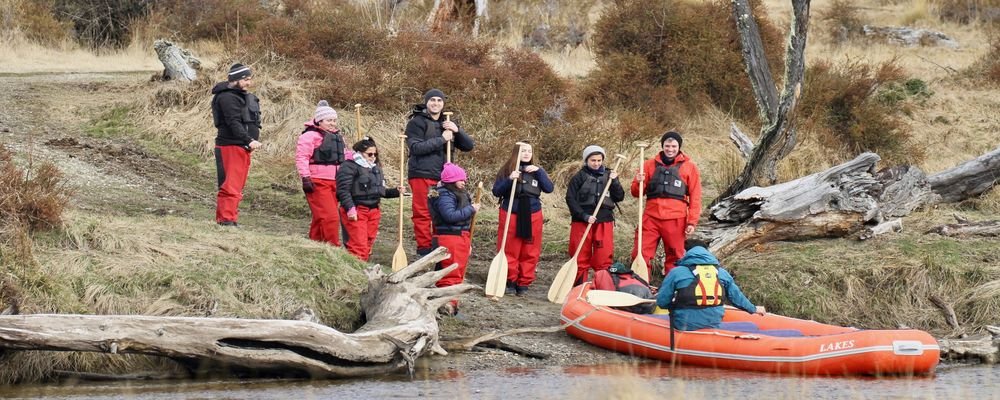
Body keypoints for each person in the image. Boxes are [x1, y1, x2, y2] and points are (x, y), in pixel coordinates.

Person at [405, 88, 475, 257]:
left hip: (444, 177)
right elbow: (416, 147)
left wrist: (457, 131)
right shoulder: (416, 122)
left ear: (443, 104)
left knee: (441, 212)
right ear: (426, 102)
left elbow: (468, 146)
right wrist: (442, 139)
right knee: (423, 213)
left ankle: (440, 245)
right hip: (422, 173)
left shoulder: (448, 122)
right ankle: (424, 248)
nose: (435, 103)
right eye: (432, 100)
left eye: (439, 101)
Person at [631, 131, 703, 275]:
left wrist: (692, 222)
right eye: (667, 145)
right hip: (651, 217)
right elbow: (635, 192)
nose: (670, 149)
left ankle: (673, 287)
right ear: (662, 146)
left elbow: (696, 196)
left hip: (676, 218)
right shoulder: (648, 165)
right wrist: (639, 182)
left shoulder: (690, 167)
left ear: (679, 147)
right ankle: (640, 284)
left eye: (674, 146)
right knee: (641, 252)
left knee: (676, 256)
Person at [656, 239, 765, 331]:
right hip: (713, 322)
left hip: (683, 324)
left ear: (686, 253)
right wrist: (754, 309)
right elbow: (736, 298)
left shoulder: (676, 272)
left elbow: (662, 302)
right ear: (707, 253)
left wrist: (674, 306)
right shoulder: (722, 273)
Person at [492, 142, 554, 296]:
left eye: (529, 151)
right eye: (523, 151)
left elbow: (549, 188)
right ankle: (510, 280)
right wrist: (510, 179)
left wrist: (539, 172)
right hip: (511, 211)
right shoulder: (507, 170)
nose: (526, 154)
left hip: (532, 212)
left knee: (530, 249)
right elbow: (496, 191)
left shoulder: (537, 171)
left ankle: (524, 282)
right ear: (516, 153)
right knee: (510, 248)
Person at [336, 137, 404, 261]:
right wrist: (350, 208)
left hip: (374, 210)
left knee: (368, 244)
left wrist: (396, 192)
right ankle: (356, 271)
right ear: (360, 153)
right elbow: (343, 190)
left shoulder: (375, 168)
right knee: (358, 246)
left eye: (375, 154)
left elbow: (381, 192)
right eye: (370, 154)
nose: (373, 157)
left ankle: (364, 268)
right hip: (356, 210)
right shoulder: (348, 166)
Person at [565, 145, 625, 285]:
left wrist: (615, 181)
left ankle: (601, 287)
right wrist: (583, 215)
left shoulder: (610, 175)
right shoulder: (579, 177)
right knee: (579, 257)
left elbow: (619, 197)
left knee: (603, 258)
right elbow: (570, 199)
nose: (596, 163)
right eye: (593, 160)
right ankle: (578, 286)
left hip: (604, 221)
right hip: (582, 221)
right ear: (586, 160)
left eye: (599, 160)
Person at [211, 63, 262, 226]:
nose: (249, 83)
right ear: (236, 79)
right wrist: (248, 140)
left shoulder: (240, 96)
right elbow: (233, 122)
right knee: (230, 185)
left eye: (250, 79)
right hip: (230, 146)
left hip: (241, 147)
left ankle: (229, 218)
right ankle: (226, 220)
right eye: (246, 79)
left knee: (236, 186)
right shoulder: (227, 97)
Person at [428, 162, 481, 316]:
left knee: (458, 273)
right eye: (461, 179)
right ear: (451, 180)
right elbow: (449, 216)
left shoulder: (453, 193)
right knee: (450, 273)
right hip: (450, 237)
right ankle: (447, 305)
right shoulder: (445, 195)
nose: (464, 182)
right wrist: (471, 209)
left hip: (460, 236)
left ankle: (452, 304)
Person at [296, 100, 348, 246]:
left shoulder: (337, 136)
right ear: (319, 121)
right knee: (330, 217)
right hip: (318, 181)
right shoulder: (309, 136)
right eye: (329, 120)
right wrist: (305, 178)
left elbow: (345, 155)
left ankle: (315, 245)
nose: (333, 123)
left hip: (335, 181)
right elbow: (302, 157)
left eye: (334, 120)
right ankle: (333, 246)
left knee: (321, 217)